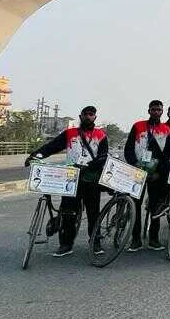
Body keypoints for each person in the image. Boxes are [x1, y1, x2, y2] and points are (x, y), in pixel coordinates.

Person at [25, 105, 108, 257]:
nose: (88, 117)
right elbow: (52, 147)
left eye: (91, 114)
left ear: (95, 117)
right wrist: (35, 155)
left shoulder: (101, 135)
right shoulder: (70, 133)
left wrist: (90, 166)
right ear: (80, 116)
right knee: (68, 213)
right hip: (71, 179)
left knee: (93, 213)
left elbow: (103, 157)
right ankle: (66, 244)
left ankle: (95, 242)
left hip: (91, 180)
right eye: (86, 114)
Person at [123, 100, 170, 251]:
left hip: (155, 174)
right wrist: (134, 165)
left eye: (159, 110)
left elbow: (167, 155)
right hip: (137, 172)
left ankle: (154, 239)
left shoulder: (167, 130)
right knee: (135, 206)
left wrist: (159, 172)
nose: (156, 112)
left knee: (155, 206)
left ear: (162, 112)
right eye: (153, 109)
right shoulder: (138, 126)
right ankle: (136, 239)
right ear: (149, 111)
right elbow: (129, 149)